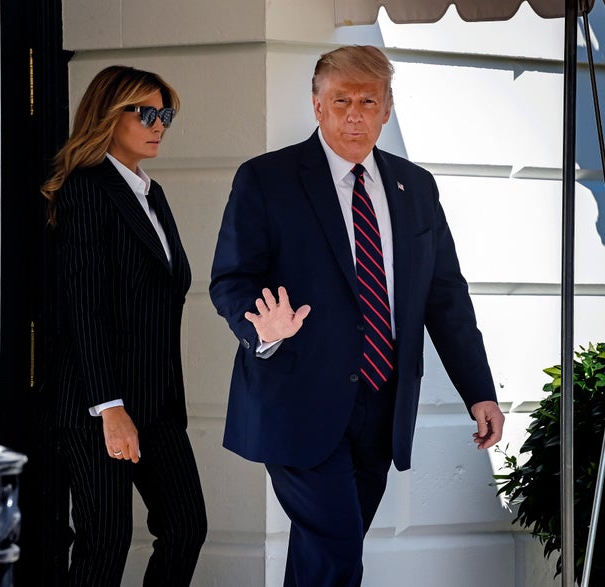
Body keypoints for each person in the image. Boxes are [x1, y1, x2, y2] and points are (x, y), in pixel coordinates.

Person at [210, 45, 505, 587]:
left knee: (324, 555)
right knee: (337, 548)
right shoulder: (266, 180)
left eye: (368, 101)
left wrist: (478, 391)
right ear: (317, 105)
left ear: (387, 109)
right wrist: (261, 327)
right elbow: (231, 278)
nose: (354, 113)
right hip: (297, 399)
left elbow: (445, 297)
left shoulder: (415, 188)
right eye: (341, 100)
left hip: (382, 404)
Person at [41, 65, 207, 587]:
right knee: (105, 543)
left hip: (156, 404)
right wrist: (110, 408)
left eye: (166, 114)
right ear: (110, 116)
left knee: (185, 529)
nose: (159, 124)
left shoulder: (151, 195)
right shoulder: (87, 190)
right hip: (100, 405)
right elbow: (82, 307)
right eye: (147, 113)